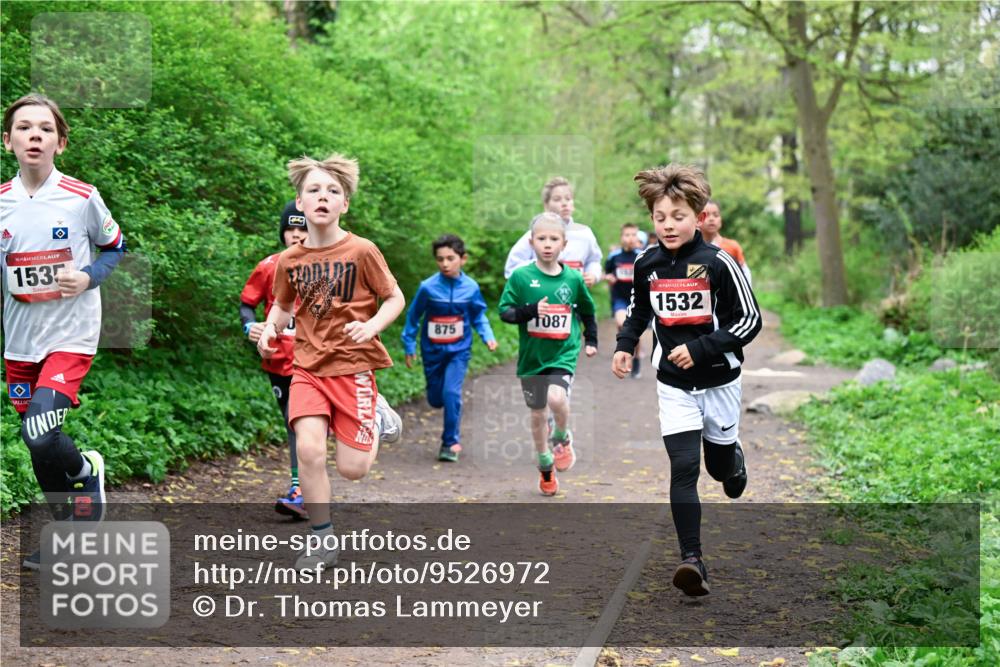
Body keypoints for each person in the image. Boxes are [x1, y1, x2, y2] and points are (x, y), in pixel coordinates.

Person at [611, 164, 761, 597]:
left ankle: (733, 459)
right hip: (673, 383)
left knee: (717, 468)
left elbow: (750, 320)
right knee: (683, 468)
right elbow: (640, 311)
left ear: (698, 216)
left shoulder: (718, 263)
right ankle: (692, 560)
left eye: (678, 216)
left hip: (719, 380)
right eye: (660, 217)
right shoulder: (647, 263)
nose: (668, 225)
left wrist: (701, 348)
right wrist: (625, 344)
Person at [258, 153, 405, 571]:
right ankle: (321, 539)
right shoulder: (289, 261)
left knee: (354, 469)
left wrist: (372, 325)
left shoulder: (362, 250)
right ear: (300, 205)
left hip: (353, 366)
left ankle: (376, 415)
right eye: (314, 190)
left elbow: (395, 298)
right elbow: (282, 308)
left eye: (333, 191)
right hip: (306, 368)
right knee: (308, 450)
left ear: (345, 204)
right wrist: (270, 331)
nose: (323, 197)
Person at [2, 94, 126, 569]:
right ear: (7, 139)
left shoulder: (81, 197)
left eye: (45, 129)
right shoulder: (2, 204)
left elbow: (116, 248)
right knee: (37, 439)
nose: (35, 136)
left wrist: (88, 276)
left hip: (71, 334)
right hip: (20, 340)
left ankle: (85, 473)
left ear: (61, 142)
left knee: (39, 430)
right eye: (25, 128)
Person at [499, 212, 597, 496]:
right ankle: (545, 465)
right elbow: (505, 312)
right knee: (538, 414)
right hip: (532, 359)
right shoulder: (520, 277)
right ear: (532, 243)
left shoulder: (573, 279)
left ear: (564, 243)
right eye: (541, 238)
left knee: (557, 397)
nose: (547, 244)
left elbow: (588, 311)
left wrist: (591, 339)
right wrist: (530, 310)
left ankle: (562, 436)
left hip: (562, 353)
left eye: (553, 239)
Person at [401, 234, 498, 462]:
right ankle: (446, 406)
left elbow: (478, 316)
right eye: (440, 259)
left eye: (450, 258)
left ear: (462, 259)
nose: (445, 264)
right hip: (432, 351)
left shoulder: (471, 288)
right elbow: (413, 317)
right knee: (436, 399)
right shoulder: (427, 287)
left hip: (459, 350)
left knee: (451, 392)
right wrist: (409, 345)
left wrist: (488, 335)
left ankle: (450, 442)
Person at [240, 200, 309, 518]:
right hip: (278, 359)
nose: (295, 234)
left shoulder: (326, 266)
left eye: (302, 228)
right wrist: (249, 326)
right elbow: (247, 304)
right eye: (290, 229)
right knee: (292, 421)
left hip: (314, 361)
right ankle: (303, 487)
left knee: (299, 421)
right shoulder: (269, 266)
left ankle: (301, 490)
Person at [503, 177, 602, 285]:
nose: (564, 203)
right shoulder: (535, 234)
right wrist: (541, 266)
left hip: (575, 297)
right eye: (557, 199)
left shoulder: (584, 233)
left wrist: (593, 275)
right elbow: (510, 270)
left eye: (568, 198)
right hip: (541, 297)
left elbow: (594, 260)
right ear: (546, 205)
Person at [604, 222, 645, 378]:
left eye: (634, 235)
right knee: (622, 324)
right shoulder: (614, 256)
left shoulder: (642, 255)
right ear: (621, 237)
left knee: (635, 328)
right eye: (627, 235)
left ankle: (636, 358)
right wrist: (609, 277)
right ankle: (626, 348)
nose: (630, 238)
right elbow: (606, 272)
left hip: (637, 300)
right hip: (620, 298)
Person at [701, 200, 751, 286]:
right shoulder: (694, 249)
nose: (712, 219)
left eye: (716, 215)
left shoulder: (732, 246)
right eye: (707, 215)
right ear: (698, 219)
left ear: (721, 219)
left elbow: (745, 274)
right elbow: (696, 282)